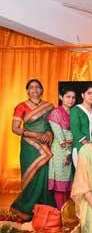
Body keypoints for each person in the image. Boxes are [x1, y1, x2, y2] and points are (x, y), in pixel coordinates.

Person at [10, 79, 55, 220]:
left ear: (41, 90)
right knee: (31, 175)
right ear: (27, 91)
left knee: (44, 174)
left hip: (45, 145)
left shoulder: (49, 106)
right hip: (29, 146)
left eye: (37, 87)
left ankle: (44, 209)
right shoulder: (21, 107)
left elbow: (52, 125)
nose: (34, 89)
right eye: (31, 87)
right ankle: (25, 209)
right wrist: (34, 134)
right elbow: (15, 128)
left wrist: (48, 134)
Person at [48, 87, 75, 209]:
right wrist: (67, 153)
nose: (71, 100)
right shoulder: (55, 113)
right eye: (68, 97)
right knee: (60, 183)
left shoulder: (74, 112)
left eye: (73, 97)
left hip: (73, 149)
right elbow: (59, 136)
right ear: (61, 97)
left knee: (71, 183)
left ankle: (70, 214)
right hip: (60, 150)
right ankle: (61, 213)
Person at [70, 85, 92, 166]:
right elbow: (75, 130)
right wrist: (88, 144)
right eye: (89, 93)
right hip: (81, 147)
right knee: (82, 175)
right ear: (83, 95)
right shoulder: (75, 110)